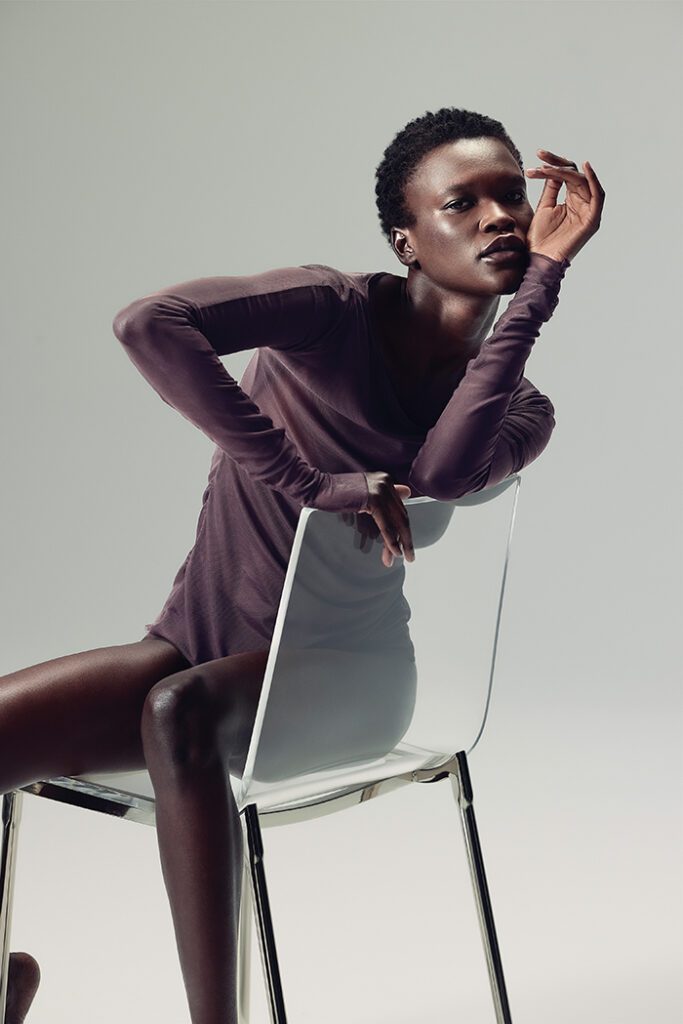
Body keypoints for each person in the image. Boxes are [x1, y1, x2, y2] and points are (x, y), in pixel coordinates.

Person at [0, 106, 603, 1023]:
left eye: (510, 198)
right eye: (462, 202)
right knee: (133, 705)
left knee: (178, 711)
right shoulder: (330, 310)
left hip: (348, 679)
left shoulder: (521, 411)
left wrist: (540, 287)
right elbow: (147, 324)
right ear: (404, 240)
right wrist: (307, 481)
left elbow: (442, 472)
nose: (498, 218)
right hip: (197, 649)